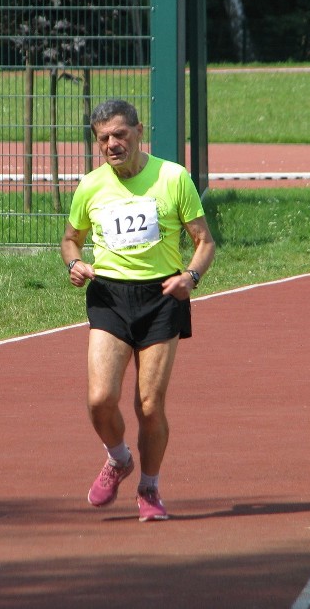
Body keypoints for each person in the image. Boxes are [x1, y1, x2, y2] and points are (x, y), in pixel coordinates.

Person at [61, 99, 216, 521]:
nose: (112, 144)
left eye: (120, 135)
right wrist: (74, 263)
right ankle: (118, 458)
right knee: (99, 400)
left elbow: (204, 241)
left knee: (149, 405)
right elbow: (71, 238)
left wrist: (192, 277)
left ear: (138, 131)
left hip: (162, 297)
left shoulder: (172, 177)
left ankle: (149, 489)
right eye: (103, 139)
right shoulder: (91, 185)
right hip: (109, 296)